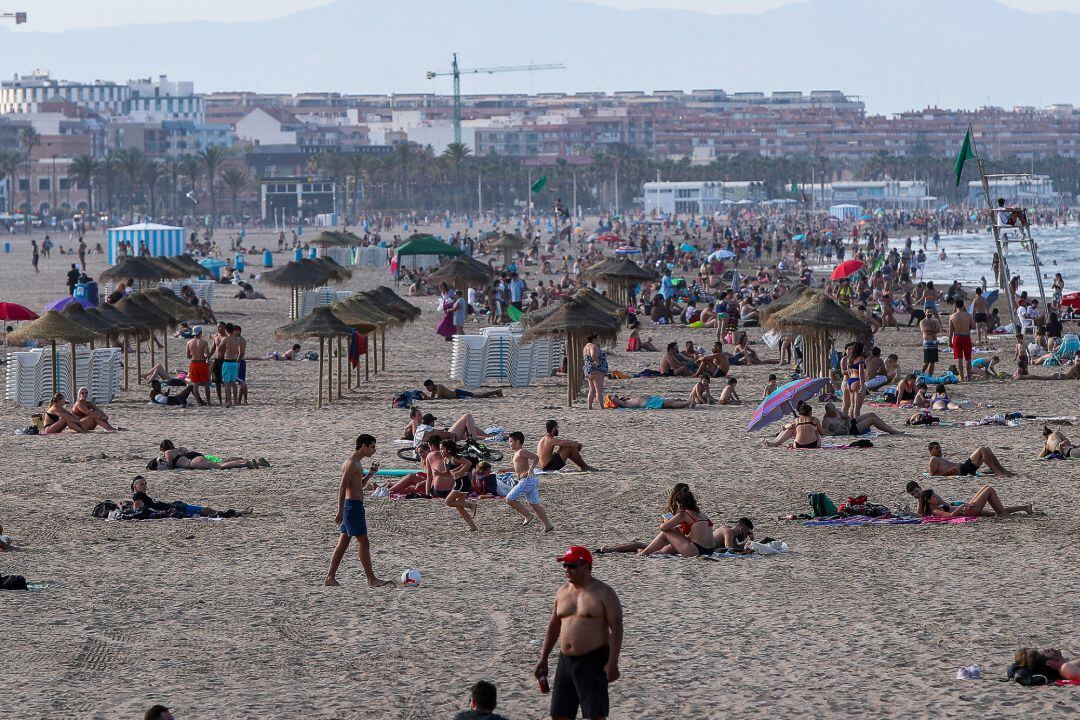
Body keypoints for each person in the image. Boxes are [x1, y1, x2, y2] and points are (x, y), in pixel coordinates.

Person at [535, 546, 622, 720]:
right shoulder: (562, 592)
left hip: (593, 659)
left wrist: (613, 662)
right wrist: (543, 658)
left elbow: (617, 628)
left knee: (595, 715)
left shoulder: (604, 593)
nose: (567, 569)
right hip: (565, 661)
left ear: (586, 566)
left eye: (572, 566)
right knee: (559, 715)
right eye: (565, 565)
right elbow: (554, 626)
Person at [324, 434, 391, 588]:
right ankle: (371, 579)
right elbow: (342, 487)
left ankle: (330, 577)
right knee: (363, 542)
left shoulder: (357, 463)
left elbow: (358, 484)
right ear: (364, 446)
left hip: (354, 506)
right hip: (352, 507)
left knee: (343, 543)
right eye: (372, 447)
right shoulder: (351, 463)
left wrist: (370, 474)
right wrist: (340, 511)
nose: (374, 450)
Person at [130, 476, 251, 519]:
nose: (145, 486)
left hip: (175, 506)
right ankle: (237, 512)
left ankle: (237, 512)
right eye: (142, 484)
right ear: (135, 487)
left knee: (207, 511)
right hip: (176, 508)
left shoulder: (141, 495)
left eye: (145, 483)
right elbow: (138, 510)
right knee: (207, 511)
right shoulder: (138, 495)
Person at [504, 431, 554, 532]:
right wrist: (505, 470)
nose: (509, 444)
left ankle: (528, 515)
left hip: (526, 480)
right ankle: (548, 525)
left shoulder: (522, 451)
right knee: (534, 504)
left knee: (509, 499)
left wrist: (531, 469)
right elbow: (518, 468)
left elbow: (536, 457)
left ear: (517, 442)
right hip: (530, 480)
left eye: (510, 441)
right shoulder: (517, 454)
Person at [905, 480, 1031, 518]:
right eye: (913, 494)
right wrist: (963, 505)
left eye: (916, 491)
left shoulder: (929, 498)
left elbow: (921, 515)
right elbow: (950, 514)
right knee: (989, 490)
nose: (916, 495)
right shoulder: (932, 508)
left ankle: (1025, 507)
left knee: (992, 510)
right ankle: (1004, 515)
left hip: (964, 508)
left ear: (920, 488)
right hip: (966, 511)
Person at [437, 439, 478, 532]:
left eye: (443, 449)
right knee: (459, 507)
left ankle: (471, 505)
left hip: (463, 482)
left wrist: (461, 471)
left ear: (449, 450)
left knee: (448, 502)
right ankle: (473, 526)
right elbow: (448, 473)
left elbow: (469, 463)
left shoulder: (454, 458)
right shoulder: (445, 459)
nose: (441, 451)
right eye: (440, 449)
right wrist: (439, 473)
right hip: (459, 483)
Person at [147, 439, 265, 471]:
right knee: (222, 462)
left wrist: (166, 466)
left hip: (192, 463)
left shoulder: (168, 452)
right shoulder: (179, 449)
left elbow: (171, 466)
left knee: (221, 466)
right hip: (196, 458)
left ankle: (246, 463)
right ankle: (255, 462)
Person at [926, 441, 1014, 477]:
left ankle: (1002, 470)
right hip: (962, 470)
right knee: (982, 449)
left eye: (939, 448)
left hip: (965, 469)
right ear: (931, 451)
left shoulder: (938, 458)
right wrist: (948, 472)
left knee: (987, 449)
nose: (939, 450)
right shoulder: (933, 459)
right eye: (936, 448)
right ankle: (998, 473)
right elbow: (933, 475)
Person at [820, 401, 901, 436]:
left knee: (871, 414)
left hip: (849, 425)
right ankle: (892, 432)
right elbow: (825, 433)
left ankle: (889, 428)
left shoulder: (836, 411)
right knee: (871, 420)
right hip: (850, 431)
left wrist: (848, 424)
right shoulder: (826, 421)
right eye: (832, 412)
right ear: (827, 412)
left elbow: (847, 417)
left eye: (834, 410)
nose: (834, 413)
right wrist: (837, 431)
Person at [1012, 648, 1080, 683]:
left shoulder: (1070, 664)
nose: (1048, 649)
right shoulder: (1066, 668)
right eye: (1047, 652)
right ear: (1049, 663)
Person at [948, 299, 975, 381]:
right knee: (968, 359)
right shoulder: (968, 315)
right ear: (963, 305)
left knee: (959, 358)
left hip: (957, 337)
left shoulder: (952, 316)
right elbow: (973, 327)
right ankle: (969, 377)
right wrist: (968, 328)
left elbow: (951, 331)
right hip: (966, 337)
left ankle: (962, 377)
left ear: (955, 306)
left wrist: (949, 341)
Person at [186, 325, 212, 406]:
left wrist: (194, 355)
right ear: (200, 332)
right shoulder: (204, 342)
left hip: (193, 363)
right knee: (206, 384)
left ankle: (198, 402)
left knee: (195, 384)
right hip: (202, 363)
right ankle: (208, 402)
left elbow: (188, 356)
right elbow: (207, 354)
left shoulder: (189, 342)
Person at [583, 334, 609, 410]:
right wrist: (597, 363)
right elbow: (593, 355)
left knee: (592, 389)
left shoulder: (586, 346)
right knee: (599, 390)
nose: (599, 339)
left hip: (589, 369)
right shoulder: (593, 346)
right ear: (594, 339)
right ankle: (602, 407)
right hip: (596, 370)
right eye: (598, 337)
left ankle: (589, 406)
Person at [422, 379, 503, 400]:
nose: (427, 389)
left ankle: (496, 391)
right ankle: (496, 392)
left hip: (458, 393)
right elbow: (432, 398)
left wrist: (428, 398)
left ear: (432, 385)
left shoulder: (438, 387)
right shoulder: (433, 390)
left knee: (478, 396)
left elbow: (439, 398)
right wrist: (427, 398)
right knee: (478, 396)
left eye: (427, 387)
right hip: (457, 396)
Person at [605, 394, 695, 409]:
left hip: (651, 400)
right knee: (670, 403)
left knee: (671, 401)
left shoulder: (627, 401)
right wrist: (611, 397)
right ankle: (688, 402)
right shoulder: (625, 404)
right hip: (648, 403)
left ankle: (687, 403)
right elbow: (612, 398)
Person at [920, 311, 941, 376]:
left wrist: (930, 330)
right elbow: (924, 330)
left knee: (933, 361)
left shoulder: (935, 321)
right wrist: (933, 330)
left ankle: (930, 375)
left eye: (931, 312)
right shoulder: (923, 321)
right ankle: (922, 373)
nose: (930, 313)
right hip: (927, 342)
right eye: (928, 312)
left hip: (934, 342)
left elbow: (938, 330)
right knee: (927, 360)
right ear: (925, 313)